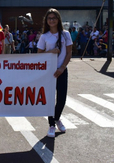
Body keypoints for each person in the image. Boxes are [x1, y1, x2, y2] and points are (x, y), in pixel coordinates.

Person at [37, 8, 72, 138]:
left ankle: (57, 118)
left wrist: (62, 68)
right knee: (50, 99)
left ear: (58, 19)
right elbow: (39, 55)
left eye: (54, 18)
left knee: (61, 98)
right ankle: (51, 125)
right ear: (46, 20)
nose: (52, 20)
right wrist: (50, 52)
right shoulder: (44, 36)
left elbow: (69, 53)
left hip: (61, 70)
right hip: (48, 72)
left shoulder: (65, 34)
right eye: (49, 18)